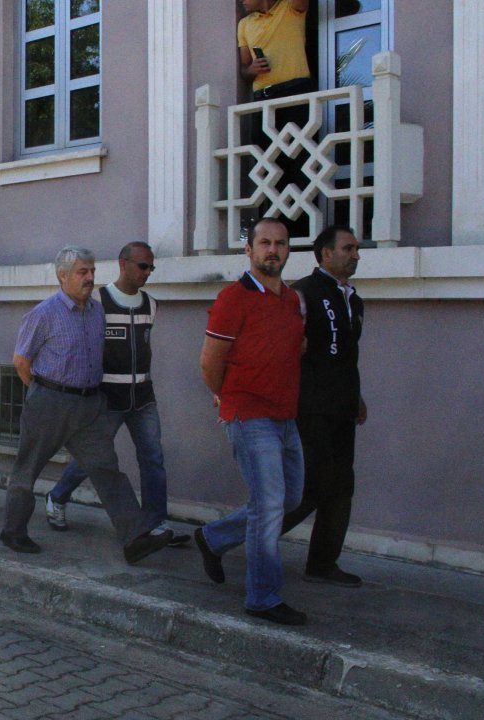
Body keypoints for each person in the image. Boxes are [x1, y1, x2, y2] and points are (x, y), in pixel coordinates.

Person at [0, 246, 173, 564]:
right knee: (27, 468)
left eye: (92, 271)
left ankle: (135, 538)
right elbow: (21, 362)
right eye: (82, 272)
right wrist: (43, 393)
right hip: (49, 402)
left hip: (89, 405)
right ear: (62, 276)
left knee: (107, 469)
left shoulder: (97, 312)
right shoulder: (44, 313)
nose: (90, 277)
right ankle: (13, 531)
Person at [196, 217, 308, 626]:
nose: (273, 250)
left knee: (289, 500)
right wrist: (226, 395)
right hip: (249, 414)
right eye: (265, 243)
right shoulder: (233, 298)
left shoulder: (292, 300)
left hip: (285, 416)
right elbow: (209, 362)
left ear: (288, 250)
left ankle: (213, 537)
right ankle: (262, 596)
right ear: (249, 249)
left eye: (280, 243)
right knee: (269, 505)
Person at [44, 242, 187, 548]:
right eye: (142, 266)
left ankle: (155, 523)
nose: (147, 273)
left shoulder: (151, 304)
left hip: (143, 397)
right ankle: (57, 496)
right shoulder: (97, 301)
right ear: (124, 264)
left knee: (152, 457)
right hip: (107, 398)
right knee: (92, 457)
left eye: (151, 267)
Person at [281, 226, 366, 587]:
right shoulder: (303, 293)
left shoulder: (353, 299)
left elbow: (346, 355)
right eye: (348, 248)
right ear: (326, 253)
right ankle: (229, 537)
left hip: (342, 407)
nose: (356, 255)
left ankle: (323, 563)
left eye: (357, 249)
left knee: (341, 485)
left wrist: (355, 396)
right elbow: (286, 349)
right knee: (310, 487)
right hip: (310, 406)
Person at [238, 0, 312, 236]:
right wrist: (252, 69)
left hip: (294, 92)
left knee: (298, 161)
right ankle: (269, 230)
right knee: (267, 164)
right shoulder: (244, 24)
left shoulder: (290, 8)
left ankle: (299, 231)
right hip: (263, 98)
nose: (241, 1)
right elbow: (244, 69)